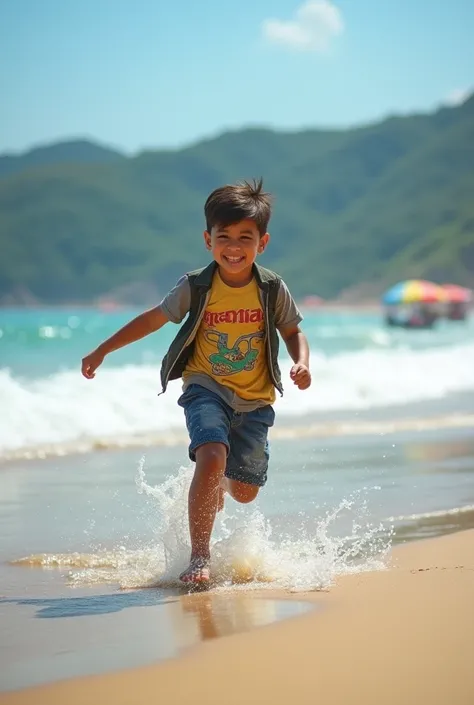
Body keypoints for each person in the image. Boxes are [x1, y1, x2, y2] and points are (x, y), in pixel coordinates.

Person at [81, 179, 311, 585]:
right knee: (210, 454)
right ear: (208, 240)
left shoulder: (272, 288)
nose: (234, 247)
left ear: (263, 242)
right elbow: (153, 318)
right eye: (225, 237)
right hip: (205, 386)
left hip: (255, 400)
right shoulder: (197, 286)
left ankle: (220, 480)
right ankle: (199, 558)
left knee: (244, 491)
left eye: (246, 237)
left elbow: (292, 331)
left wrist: (302, 363)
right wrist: (104, 349)